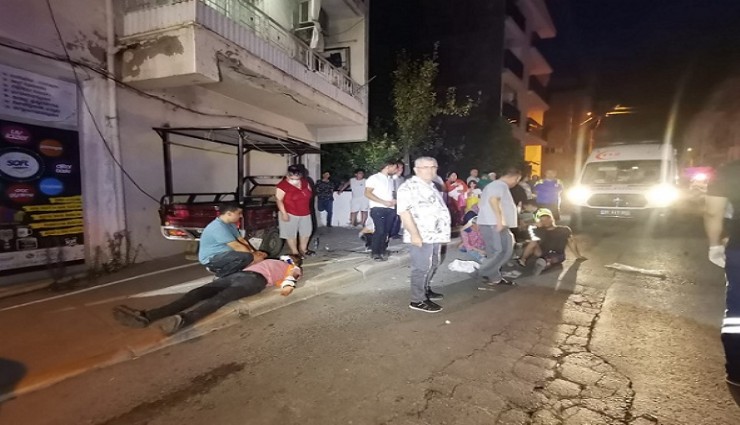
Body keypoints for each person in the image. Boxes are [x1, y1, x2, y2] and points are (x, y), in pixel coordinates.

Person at [113, 254, 303, 334]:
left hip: (255, 280)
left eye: (292, 257)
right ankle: (148, 316)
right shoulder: (271, 260)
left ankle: (183, 320)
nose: (289, 257)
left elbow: (291, 279)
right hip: (239, 275)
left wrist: (288, 286)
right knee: (197, 292)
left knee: (221, 298)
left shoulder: (293, 267)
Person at [397, 156, 451, 313]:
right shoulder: (408, 187)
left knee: (433, 263)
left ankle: (424, 289)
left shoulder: (432, 186)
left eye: (433, 167)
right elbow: (404, 212)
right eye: (425, 167)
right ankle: (417, 300)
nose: (430, 170)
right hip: (421, 234)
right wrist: (415, 235)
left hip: (435, 234)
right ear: (416, 170)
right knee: (421, 267)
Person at [704, 157, 740, 394]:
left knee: (737, 313)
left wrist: (715, 245)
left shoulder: (730, 170)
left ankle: (737, 370)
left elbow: (712, 212)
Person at [476, 167, 521, 286]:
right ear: (514, 177)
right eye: (517, 180)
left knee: (502, 250)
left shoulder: (498, 185)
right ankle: (481, 271)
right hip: (494, 223)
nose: (516, 183)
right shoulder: (499, 185)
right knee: (500, 251)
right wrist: (499, 221)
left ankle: (493, 277)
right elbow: (493, 200)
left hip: (495, 223)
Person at [517, 208, 585, 275]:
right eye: (542, 220)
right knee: (533, 242)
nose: (545, 221)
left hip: (557, 254)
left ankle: (544, 264)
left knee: (551, 259)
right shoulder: (539, 230)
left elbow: (571, 242)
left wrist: (578, 256)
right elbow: (524, 234)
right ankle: (522, 260)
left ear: (552, 218)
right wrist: (534, 226)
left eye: (547, 219)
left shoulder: (564, 229)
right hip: (542, 252)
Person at [198, 203, 257, 278]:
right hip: (212, 258)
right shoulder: (218, 227)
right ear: (229, 214)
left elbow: (241, 240)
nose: (241, 216)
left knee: (251, 255)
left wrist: (254, 252)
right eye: (239, 213)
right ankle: (221, 275)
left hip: (226, 254)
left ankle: (236, 272)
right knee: (246, 257)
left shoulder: (231, 224)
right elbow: (236, 246)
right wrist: (254, 257)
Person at [276, 164, 314, 257]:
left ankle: (303, 249)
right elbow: (279, 200)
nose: (295, 181)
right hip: (290, 213)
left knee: (306, 232)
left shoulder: (305, 182)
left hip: (305, 212)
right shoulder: (282, 185)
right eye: (292, 179)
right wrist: (284, 213)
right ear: (288, 176)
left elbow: (309, 194)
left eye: (297, 179)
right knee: (290, 234)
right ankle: (295, 252)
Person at [365, 160, 398, 261]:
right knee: (380, 230)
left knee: (386, 232)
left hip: (390, 209)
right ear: (388, 166)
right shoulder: (374, 178)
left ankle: (382, 250)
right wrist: (383, 202)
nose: (396, 170)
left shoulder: (390, 179)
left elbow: (390, 194)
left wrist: (394, 200)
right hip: (378, 208)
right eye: (395, 167)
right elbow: (367, 193)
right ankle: (375, 252)